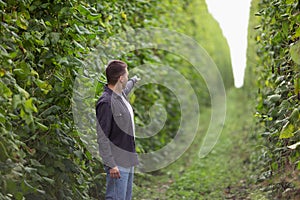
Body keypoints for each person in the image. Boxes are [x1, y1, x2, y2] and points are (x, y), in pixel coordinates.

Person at [96, 60, 139, 200]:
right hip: (117, 164)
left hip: (128, 158)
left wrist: (133, 80)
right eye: (127, 74)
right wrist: (111, 164)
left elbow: (127, 87)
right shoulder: (106, 102)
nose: (127, 77)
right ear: (121, 78)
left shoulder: (120, 95)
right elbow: (102, 137)